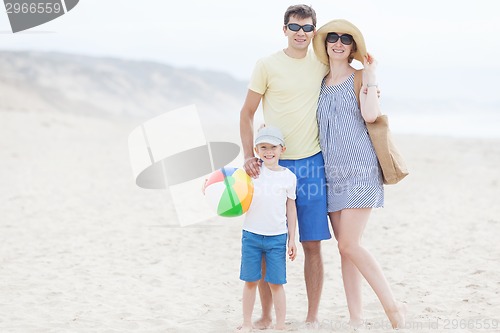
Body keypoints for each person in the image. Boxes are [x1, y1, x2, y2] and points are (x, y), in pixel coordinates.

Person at [239, 4, 332, 327]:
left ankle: (312, 316)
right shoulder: (266, 65)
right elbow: (246, 113)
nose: (301, 34)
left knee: (312, 244)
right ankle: (265, 315)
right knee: (267, 239)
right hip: (272, 164)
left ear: (314, 32)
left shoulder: (321, 63)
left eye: (307, 28)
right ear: (284, 30)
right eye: (295, 27)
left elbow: (350, 69)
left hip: (311, 164)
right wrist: (248, 155)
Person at [312, 19, 407, 329]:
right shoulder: (321, 81)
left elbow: (370, 115)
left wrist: (371, 74)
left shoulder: (359, 78)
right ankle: (356, 319)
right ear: (325, 44)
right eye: (333, 38)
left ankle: (393, 308)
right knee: (345, 250)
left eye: (346, 39)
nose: (338, 43)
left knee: (349, 245)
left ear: (353, 47)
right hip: (331, 174)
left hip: (361, 170)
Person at [238, 126, 298, 331]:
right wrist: (209, 186)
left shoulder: (288, 177)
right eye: (263, 147)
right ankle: (246, 323)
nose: (268, 151)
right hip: (251, 235)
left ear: (282, 149)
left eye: (273, 147)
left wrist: (292, 239)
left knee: (276, 283)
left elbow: (291, 208)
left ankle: (280, 325)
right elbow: (229, 185)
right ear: (256, 150)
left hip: (277, 238)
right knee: (250, 281)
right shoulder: (253, 171)